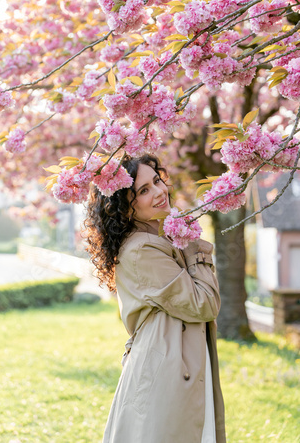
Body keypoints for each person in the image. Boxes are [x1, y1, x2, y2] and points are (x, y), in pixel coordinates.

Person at [84, 154, 226, 443]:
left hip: (173, 365)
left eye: (157, 181)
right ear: (124, 208)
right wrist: (193, 247)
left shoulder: (156, 239)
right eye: (143, 190)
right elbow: (204, 304)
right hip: (167, 374)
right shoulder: (141, 250)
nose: (160, 192)